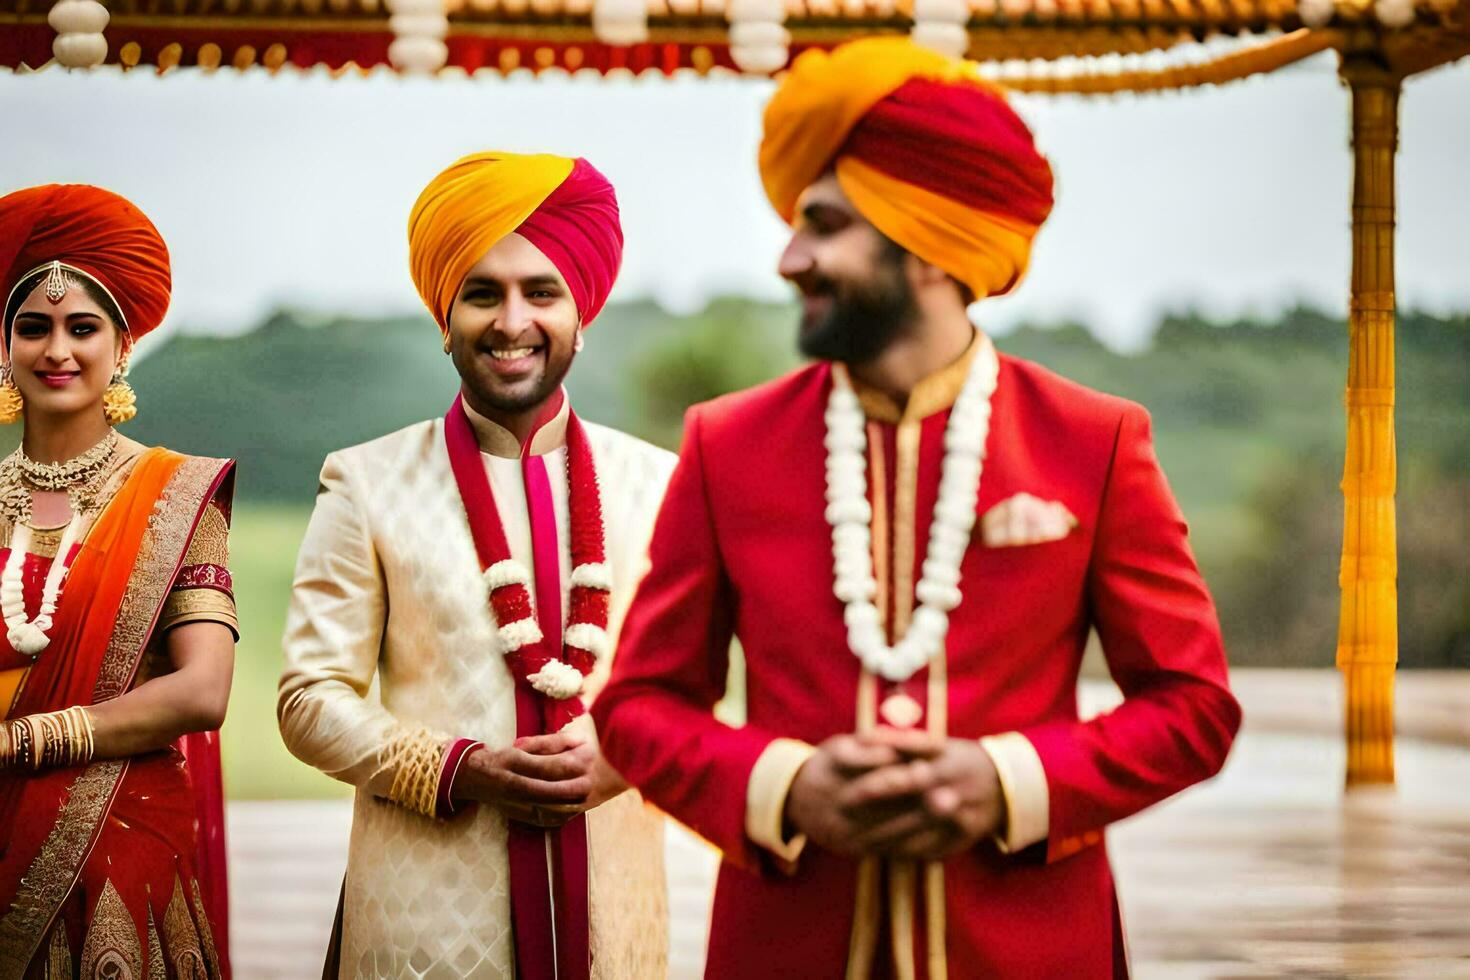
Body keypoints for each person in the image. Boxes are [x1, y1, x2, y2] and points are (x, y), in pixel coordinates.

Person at [592, 37, 1242, 979]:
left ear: (930, 249)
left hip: (1029, 949)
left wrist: (1010, 783)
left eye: (824, 225)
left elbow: (1194, 708)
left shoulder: (1092, 441)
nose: (790, 258)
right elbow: (640, 707)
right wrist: (784, 787)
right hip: (789, 949)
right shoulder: (727, 445)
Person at [278, 151, 673, 979]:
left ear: (582, 311)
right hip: (424, 930)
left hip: (618, 925)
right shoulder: (367, 481)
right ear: (444, 314)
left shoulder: (657, 483)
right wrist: (462, 769)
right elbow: (309, 698)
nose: (512, 320)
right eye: (483, 293)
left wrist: (620, 755)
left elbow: (690, 687)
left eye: (542, 291)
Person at [0, 184, 237, 977]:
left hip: (124, 854)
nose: (57, 350)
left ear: (122, 346)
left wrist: (25, 740)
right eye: (32, 328)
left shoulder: (175, 495)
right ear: (4, 349)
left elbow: (204, 691)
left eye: (82, 328)